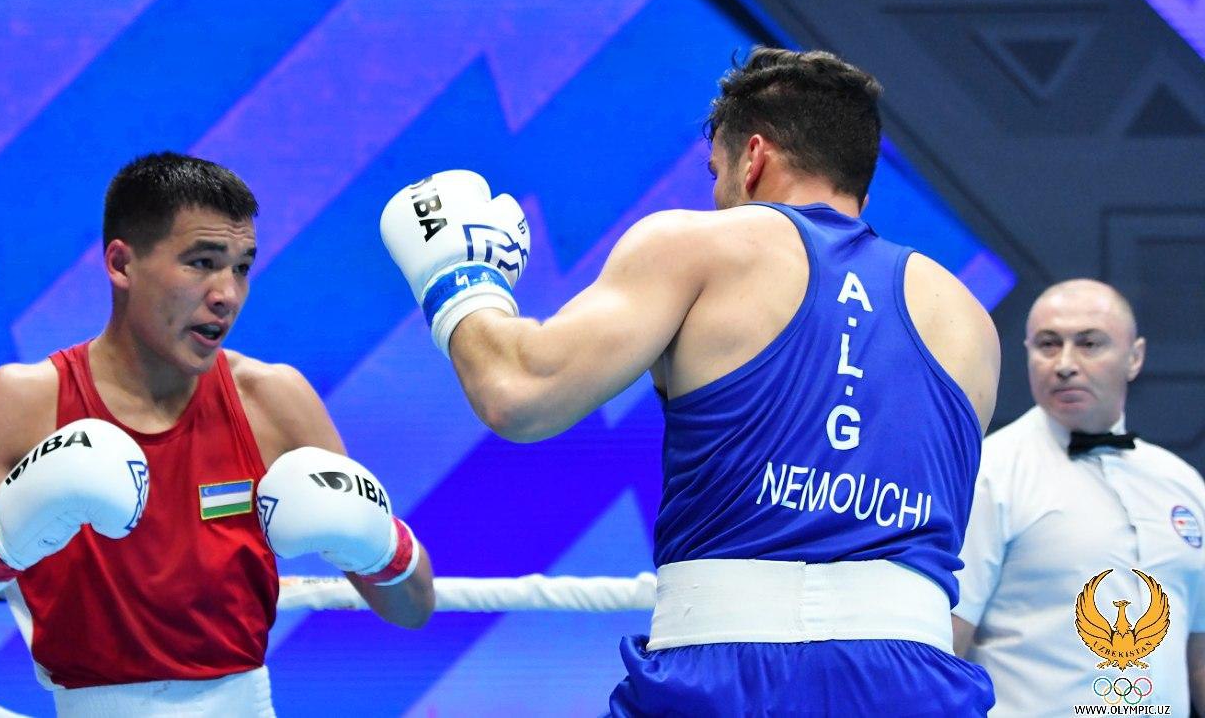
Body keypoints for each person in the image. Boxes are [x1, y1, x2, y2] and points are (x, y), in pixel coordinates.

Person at [381, 47, 1000, 715]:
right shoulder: (968, 321)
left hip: (728, 673)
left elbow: (517, 391)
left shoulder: (700, 247)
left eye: (716, 172)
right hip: (916, 684)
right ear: (861, 184)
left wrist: (460, 282)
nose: (715, 194)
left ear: (752, 157)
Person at [0, 153, 434, 716]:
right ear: (121, 264)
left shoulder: (273, 401)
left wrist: (379, 542)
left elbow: (413, 607)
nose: (227, 294)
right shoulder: (23, 404)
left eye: (241, 267)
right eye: (202, 263)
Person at [953, 279, 1205, 715]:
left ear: (1135, 357)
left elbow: (1198, 654)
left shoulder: (1182, 483)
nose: (1065, 364)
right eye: (1048, 345)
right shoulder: (989, 473)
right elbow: (947, 644)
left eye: (1089, 344)